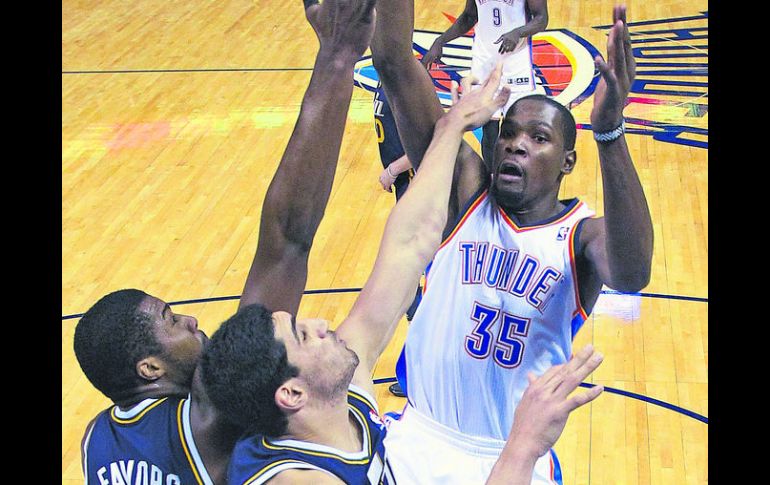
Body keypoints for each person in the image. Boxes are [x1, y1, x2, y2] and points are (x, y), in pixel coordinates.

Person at [201, 64, 605, 485]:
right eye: (302, 336)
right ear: (292, 394)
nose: (321, 323)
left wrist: (455, 122)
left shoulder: (344, 404)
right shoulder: (293, 479)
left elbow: (404, 250)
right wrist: (522, 446)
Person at [73, 0, 378, 483]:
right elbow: (287, 241)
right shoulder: (204, 419)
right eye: (171, 320)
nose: (191, 319)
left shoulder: (95, 439)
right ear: (150, 368)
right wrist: (337, 58)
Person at [371, 1, 653, 483]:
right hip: (419, 440)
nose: (515, 144)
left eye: (538, 137)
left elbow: (632, 273)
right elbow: (395, 62)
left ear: (567, 162)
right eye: (507, 134)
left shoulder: (580, 236)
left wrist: (608, 132)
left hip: (511, 455)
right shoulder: (464, 194)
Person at [421, 0, 549, 167]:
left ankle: (516, 178)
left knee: (518, 129)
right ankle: (491, 180)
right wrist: (440, 41)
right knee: (489, 133)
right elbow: (469, 16)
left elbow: (541, 18)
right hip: (484, 61)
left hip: (516, 63)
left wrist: (518, 32)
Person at [372, 80, 420, 397]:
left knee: (412, 283)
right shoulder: (384, 76)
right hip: (407, 190)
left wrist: (393, 168)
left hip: (420, 192)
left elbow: (427, 140)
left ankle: (420, 371)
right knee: (409, 283)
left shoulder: (407, 82)